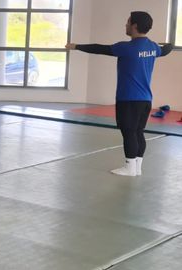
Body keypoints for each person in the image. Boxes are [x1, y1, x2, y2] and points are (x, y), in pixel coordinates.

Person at [66, 11, 173, 176]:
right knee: (138, 132)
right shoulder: (153, 47)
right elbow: (166, 49)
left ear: (135, 26)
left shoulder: (126, 48)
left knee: (129, 132)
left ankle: (130, 167)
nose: (126, 25)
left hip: (128, 99)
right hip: (145, 99)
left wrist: (76, 46)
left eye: (128, 22)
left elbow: (99, 49)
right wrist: (169, 43)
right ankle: (137, 167)